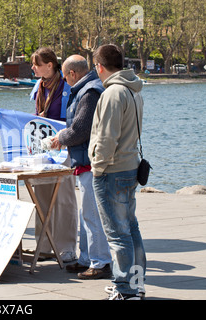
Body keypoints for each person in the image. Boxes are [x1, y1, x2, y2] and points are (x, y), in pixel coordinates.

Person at [89, 44, 146, 299]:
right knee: (130, 228)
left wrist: (98, 168)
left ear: (99, 66)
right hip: (129, 166)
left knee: (117, 233)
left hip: (112, 170)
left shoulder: (113, 93)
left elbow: (107, 138)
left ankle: (125, 290)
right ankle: (135, 285)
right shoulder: (134, 90)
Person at [51, 55, 112, 279]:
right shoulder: (91, 88)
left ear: (72, 74)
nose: (65, 81)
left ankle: (100, 262)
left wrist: (60, 137)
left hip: (90, 163)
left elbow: (80, 130)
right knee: (87, 213)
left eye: (65, 76)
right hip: (87, 161)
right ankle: (87, 258)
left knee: (92, 215)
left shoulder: (88, 93)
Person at [30, 47, 78, 263]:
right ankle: (45, 244)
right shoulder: (39, 86)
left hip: (63, 146)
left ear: (50, 65)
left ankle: (67, 246)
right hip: (43, 146)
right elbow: (36, 116)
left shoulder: (67, 86)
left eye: (36, 64)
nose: (32, 68)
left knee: (64, 196)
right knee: (41, 195)